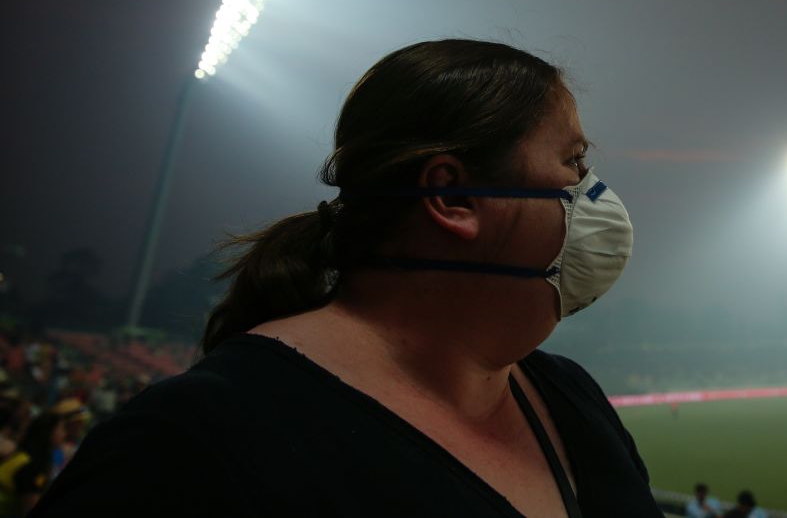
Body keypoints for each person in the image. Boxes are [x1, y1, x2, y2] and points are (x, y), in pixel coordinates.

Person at [31, 39, 658, 517]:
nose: (595, 193)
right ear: (453, 197)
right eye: (573, 162)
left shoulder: (570, 397)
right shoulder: (197, 441)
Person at [0, 413, 64, 517]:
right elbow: (30, 509)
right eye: (61, 429)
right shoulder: (33, 468)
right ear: (49, 432)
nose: (64, 434)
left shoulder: (22, 454)